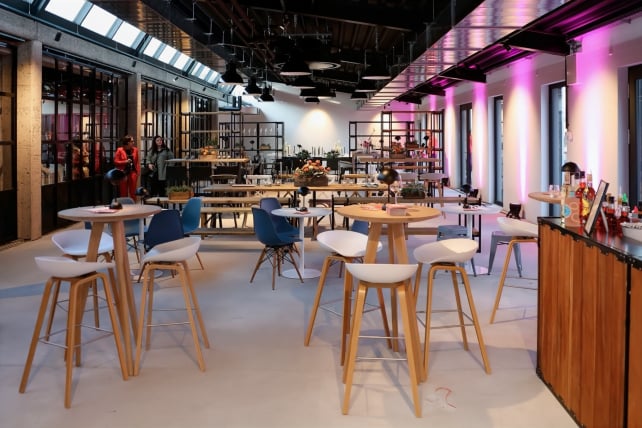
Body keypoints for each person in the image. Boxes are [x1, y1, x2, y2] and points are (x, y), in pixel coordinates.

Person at [114, 134, 139, 200]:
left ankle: (134, 205)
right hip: (123, 173)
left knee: (133, 192)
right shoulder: (120, 150)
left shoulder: (135, 150)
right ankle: (124, 205)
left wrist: (137, 172)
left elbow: (137, 162)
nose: (133, 142)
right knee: (123, 191)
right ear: (128, 142)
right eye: (132, 141)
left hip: (132, 172)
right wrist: (125, 161)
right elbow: (116, 161)